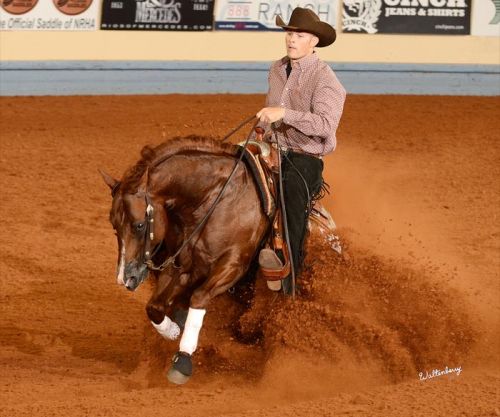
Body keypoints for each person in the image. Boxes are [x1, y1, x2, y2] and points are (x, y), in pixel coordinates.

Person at [256, 7, 346, 294]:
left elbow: (325, 125)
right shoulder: (277, 69)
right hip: (272, 147)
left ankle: (291, 274)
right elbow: (271, 112)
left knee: (292, 191)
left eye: (300, 35)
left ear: (314, 41)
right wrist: (262, 129)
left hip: (304, 156)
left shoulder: (326, 80)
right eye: (289, 33)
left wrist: (285, 113)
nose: (292, 39)